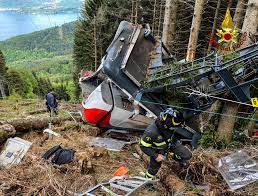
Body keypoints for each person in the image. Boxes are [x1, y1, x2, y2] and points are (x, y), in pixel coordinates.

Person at [140, 108, 192, 180]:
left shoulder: (169, 125)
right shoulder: (151, 132)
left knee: (188, 155)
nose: (175, 128)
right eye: (174, 126)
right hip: (158, 150)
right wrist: (155, 156)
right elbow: (143, 146)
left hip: (171, 144)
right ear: (167, 122)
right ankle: (147, 181)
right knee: (153, 169)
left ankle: (176, 157)